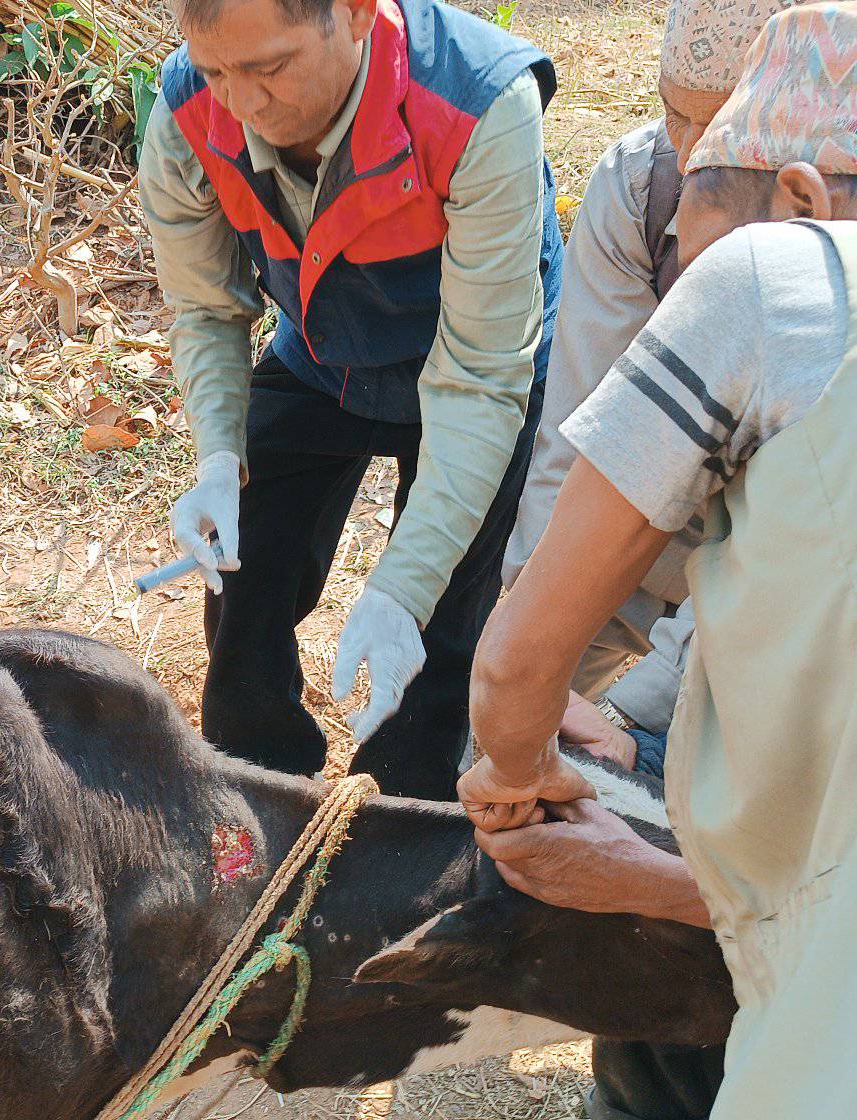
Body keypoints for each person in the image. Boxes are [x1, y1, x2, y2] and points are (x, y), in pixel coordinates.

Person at [460, 3, 857, 1120]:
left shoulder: (777, 276)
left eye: (699, 239)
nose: (685, 276)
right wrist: (636, 864)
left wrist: (514, 777)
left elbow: (517, 665)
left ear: (800, 196)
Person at [504, 0, 857, 750]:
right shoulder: (644, 183)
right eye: (674, 117)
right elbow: (582, 451)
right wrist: (529, 659)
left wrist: (638, 723)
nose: (691, 152)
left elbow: (803, 536)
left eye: (720, 122)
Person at [141, 0, 563, 799]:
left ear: (358, 15)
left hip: (475, 361)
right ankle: (257, 797)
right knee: (245, 571)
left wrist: (401, 588)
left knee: (436, 632)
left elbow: (478, 379)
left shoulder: (479, 104)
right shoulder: (188, 106)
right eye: (219, 71)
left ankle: (401, 819)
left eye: (270, 68)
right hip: (320, 349)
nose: (243, 104)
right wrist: (220, 455)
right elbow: (205, 307)